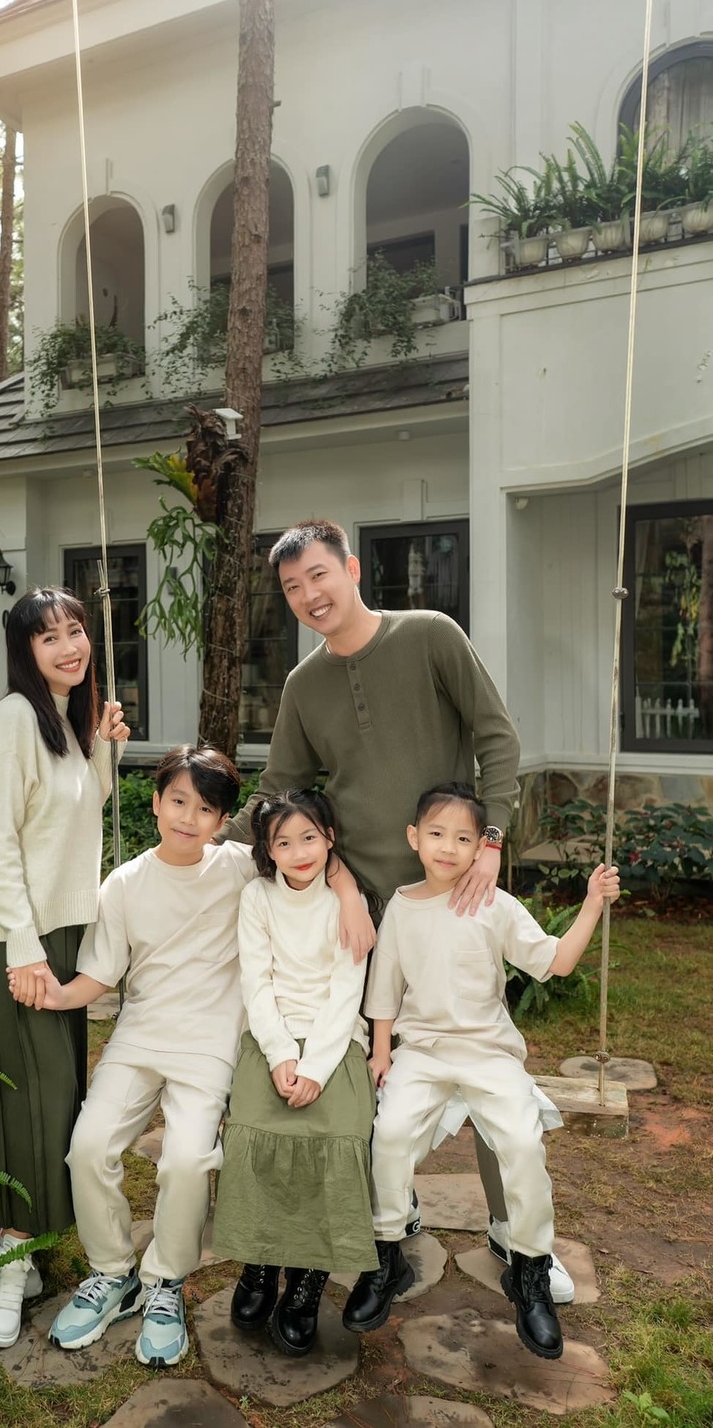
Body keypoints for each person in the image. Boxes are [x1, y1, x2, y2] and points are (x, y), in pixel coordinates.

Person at [220, 519, 575, 1304]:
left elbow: (497, 736)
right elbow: (281, 795)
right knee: (379, 1065)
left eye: (319, 574)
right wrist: (207, 844)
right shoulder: (302, 686)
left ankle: (515, 1231)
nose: (309, 595)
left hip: (458, 891)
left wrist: (490, 840)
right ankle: (394, 1212)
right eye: (292, 587)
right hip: (369, 909)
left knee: (483, 1055)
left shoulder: (430, 635)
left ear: (350, 568)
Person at [13, 747, 373, 1369]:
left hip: (209, 1044)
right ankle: (112, 1273)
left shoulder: (238, 867)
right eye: (177, 801)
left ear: (222, 821)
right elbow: (101, 972)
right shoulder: (124, 883)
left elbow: (303, 846)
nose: (188, 817)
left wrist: (347, 891)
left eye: (205, 809)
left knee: (185, 1160)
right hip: (139, 1036)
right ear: (155, 803)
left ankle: (165, 1284)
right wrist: (56, 995)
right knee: (88, 1147)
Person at [348, 782, 620, 1359]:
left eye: (463, 838)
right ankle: (385, 1257)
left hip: (488, 1052)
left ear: (481, 848)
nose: (448, 847)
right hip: (422, 1051)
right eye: (437, 834)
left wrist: (593, 903)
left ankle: (529, 1271)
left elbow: (556, 962)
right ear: (414, 838)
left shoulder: (494, 904)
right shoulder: (401, 906)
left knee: (521, 1141)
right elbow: (384, 990)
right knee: (389, 1134)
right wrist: (381, 1051)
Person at [0, 587, 128, 1349]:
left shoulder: (63, 719)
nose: (69, 646)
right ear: (25, 651)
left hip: (55, 929)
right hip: (15, 936)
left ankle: (5, 1233)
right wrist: (22, 947)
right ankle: (6, 1254)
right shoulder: (14, 719)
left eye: (75, 630)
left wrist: (102, 746)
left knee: (46, 1096)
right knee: (28, 1096)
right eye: (49, 637)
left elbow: (78, 811)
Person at [213, 790, 378, 1358]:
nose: (299, 852)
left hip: (336, 1041)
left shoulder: (347, 903)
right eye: (283, 842)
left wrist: (315, 1067)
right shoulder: (257, 898)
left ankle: (309, 1276)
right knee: (253, 1133)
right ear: (267, 849)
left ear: (330, 837)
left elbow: (346, 991)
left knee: (336, 1139)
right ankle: (260, 1262)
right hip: (271, 1036)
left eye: (309, 837)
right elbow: (256, 982)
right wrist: (282, 1054)